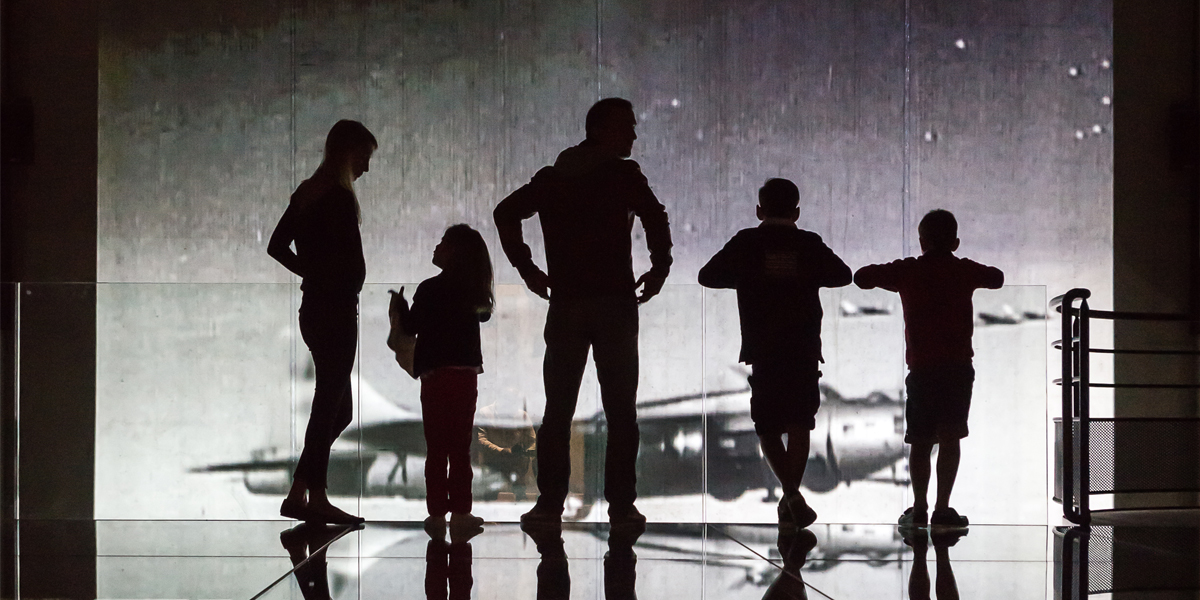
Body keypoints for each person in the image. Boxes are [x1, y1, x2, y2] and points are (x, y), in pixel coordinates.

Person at [493, 97, 673, 529]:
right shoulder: (623, 176)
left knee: (558, 410)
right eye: (627, 126)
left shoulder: (553, 178)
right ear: (604, 130)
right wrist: (660, 265)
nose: (633, 134)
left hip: (567, 306)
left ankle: (549, 503)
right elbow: (655, 217)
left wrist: (529, 269)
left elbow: (505, 213)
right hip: (615, 305)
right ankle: (622, 506)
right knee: (620, 412)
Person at [697, 178, 851, 528]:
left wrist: (752, 275)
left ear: (759, 210)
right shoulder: (808, 243)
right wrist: (800, 272)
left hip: (763, 347)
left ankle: (791, 495)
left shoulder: (747, 242)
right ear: (797, 211)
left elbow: (708, 276)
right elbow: (842, 275)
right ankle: (791, 496)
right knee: (800, 424)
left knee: (766, 425)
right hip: (803, 346)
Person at [854, 209, 1004, 529]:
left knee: (920, 443)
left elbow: (862, 277)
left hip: (922, 371)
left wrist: (900, 271)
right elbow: (996, 277)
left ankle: (919, 508)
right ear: (956, 241)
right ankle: (942, 509)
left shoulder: (909, 271)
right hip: (957, 369)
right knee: (950, 439)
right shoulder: (962, 270)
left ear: (921, 241)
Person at [268, 119, 376, 525]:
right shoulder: (338, 197)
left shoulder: (308, 193)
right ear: (348, 152)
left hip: (315, 309)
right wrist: (328, 279)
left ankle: (305, 492)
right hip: (336, 311)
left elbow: (276, 245)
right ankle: (310, 496)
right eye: (364, 156)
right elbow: (345, 260)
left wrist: (311, 273)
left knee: (336, 407)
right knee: (332, 406)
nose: (366, 166)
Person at [402, 224, 494, 540]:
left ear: (453, 251)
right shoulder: (474, 292)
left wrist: (400, 310)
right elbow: (485, 314)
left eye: (442, 242)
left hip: (434, 377)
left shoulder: (428, 290)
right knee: (460, 447)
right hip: (466, 376)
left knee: (436, 447)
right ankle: (462, 512)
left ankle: (436, 513)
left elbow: (411, 327)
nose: (436, 246)